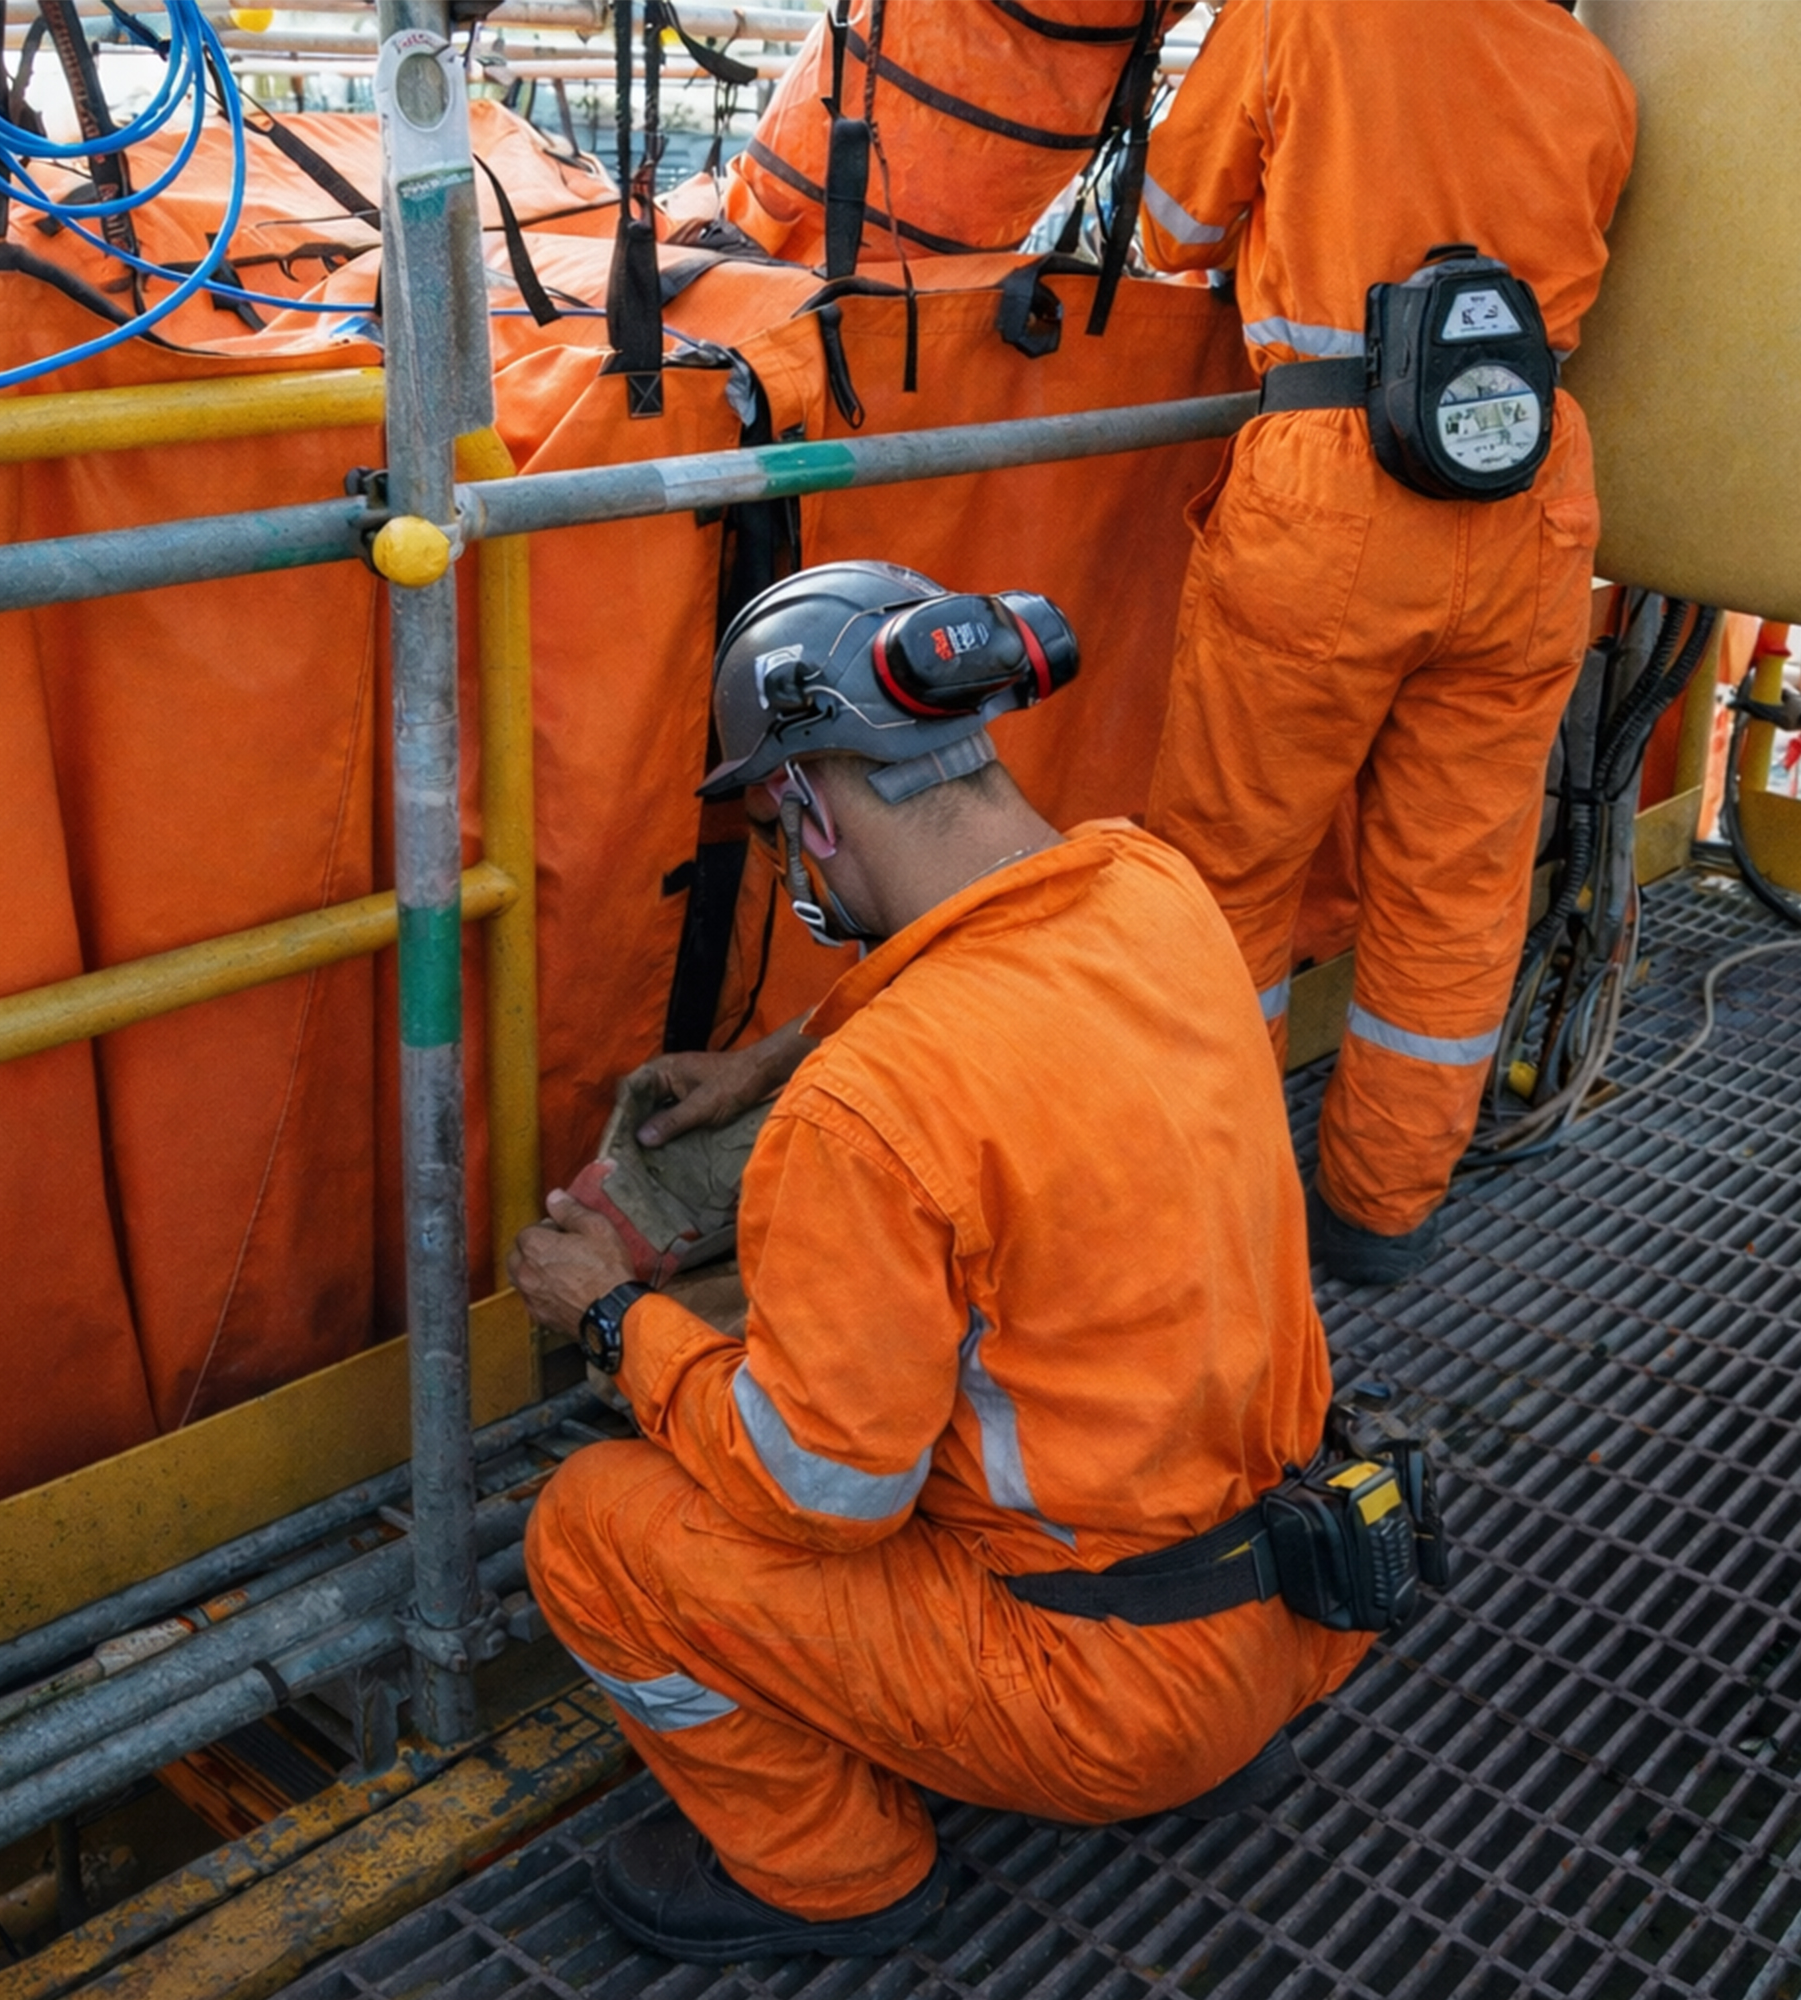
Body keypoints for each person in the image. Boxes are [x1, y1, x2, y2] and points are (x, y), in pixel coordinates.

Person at [508, 562, 1374, 1963]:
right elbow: (1004, 965)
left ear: (805, 808)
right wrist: (775, 1057)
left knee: (595, 1529)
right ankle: (1214, 1734)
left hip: (1102, 1695)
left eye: (780, 829)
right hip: (1295, 1603)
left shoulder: (877, 1112)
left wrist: (612, 1321)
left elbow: (824, 1492)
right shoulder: (1154, 890)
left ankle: (831, 1873)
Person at [1139, 0, 1637, 1283]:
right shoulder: (1587, 69)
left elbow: (1171, 226)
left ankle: (1210, 1200)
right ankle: (1377, 1209)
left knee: (1229, 869)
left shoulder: (1304, 13)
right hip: (1529, 488)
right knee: (1457, 885)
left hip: (1331, 483)